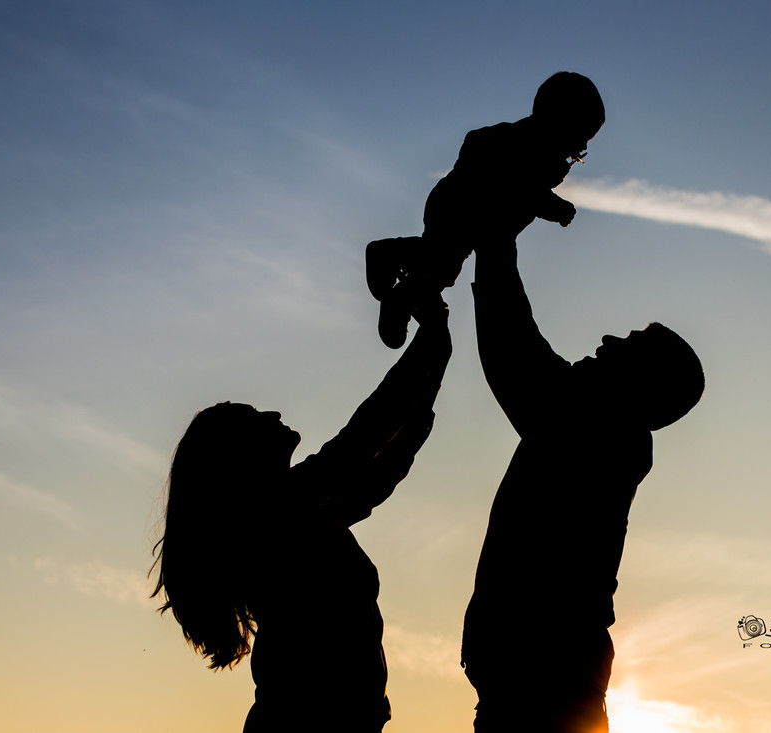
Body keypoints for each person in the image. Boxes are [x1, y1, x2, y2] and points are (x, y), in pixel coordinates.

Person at [150, 298, 451, 732]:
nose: (273, 413)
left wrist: (436, 349)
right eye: (254, 418)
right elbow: (364, 438)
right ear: (235, 461)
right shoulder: (275, 513)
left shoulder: (302, 516)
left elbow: (385, 460)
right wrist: (432, 339)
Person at [460, 240, 704, 732]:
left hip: (541, 687)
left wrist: (495, 240)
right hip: (544, 683)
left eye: (629, 346)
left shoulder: (601, 429)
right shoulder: (605, 430)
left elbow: (517, 355)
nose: (608, 340)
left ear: (641, 384)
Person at [366, 71, 605, 348]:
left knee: (442, 266)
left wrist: (547, 200)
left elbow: (526, 188)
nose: (583, 146)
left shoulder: (539, 155)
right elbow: (517, 182)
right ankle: (391, 262)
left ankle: (409, 296)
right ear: (556, 120)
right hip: (457, 209)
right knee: (442, 260)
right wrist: (552, 205)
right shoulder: (517, 143)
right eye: (580, 135)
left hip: (469, 220)